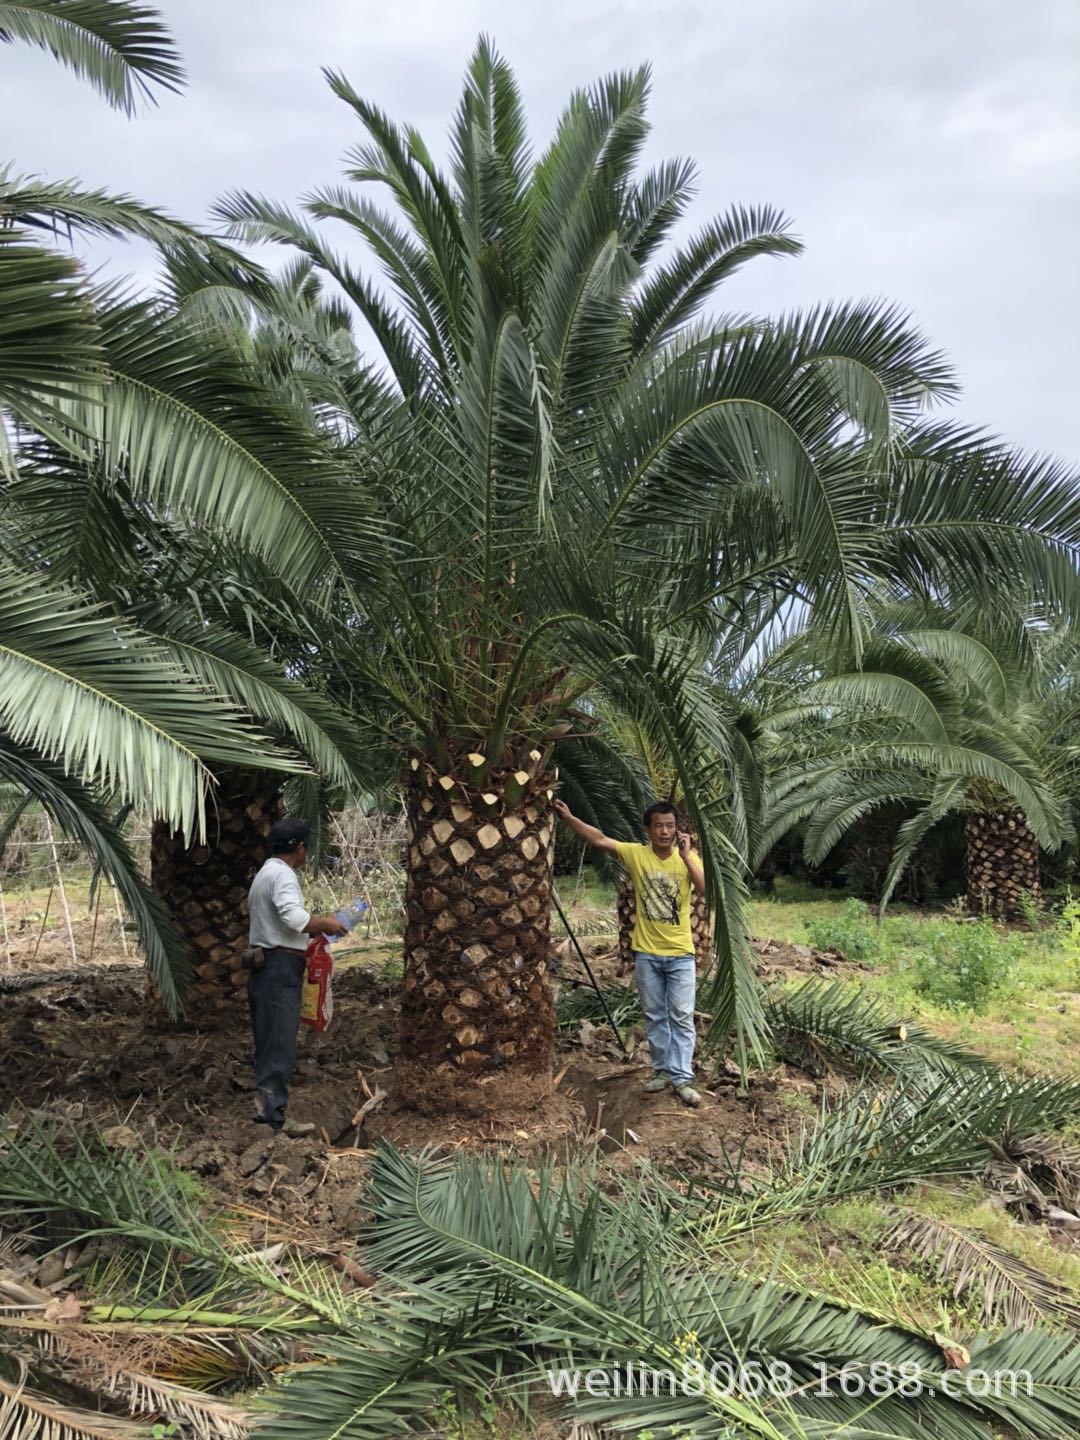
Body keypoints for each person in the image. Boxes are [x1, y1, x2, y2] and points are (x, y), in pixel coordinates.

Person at [552, 799, 705, 1107]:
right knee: (656, 1015)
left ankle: (682, 1078)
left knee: (682, 1016)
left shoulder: (689, 859)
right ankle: (663, 1071)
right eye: (659, 826)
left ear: (678, 830)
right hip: (647, 954)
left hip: (680, 954)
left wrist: (687, 856)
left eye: (670, 826)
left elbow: (705, 890)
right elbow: (599, 839)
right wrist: (569, 817)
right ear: (648, 830)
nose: (665, 832)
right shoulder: (637, 854)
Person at [246, 819, 347, 1136]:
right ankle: (274, 1117)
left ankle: (267, 1110)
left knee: (269, 1040)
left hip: (266, 967)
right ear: (299, 848)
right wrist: (327, 923)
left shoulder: (265, 873)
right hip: (279, 969)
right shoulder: (283, 875)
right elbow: (293, 918)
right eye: (306, 847)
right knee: (279, 1042)